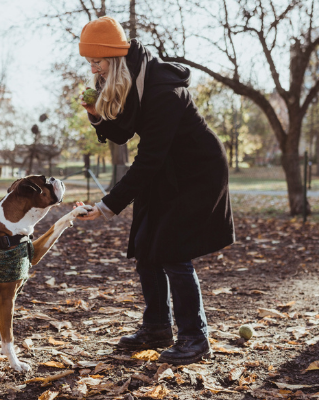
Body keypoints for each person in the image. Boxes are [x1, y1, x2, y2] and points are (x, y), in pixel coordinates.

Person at [75, 16, 235, 365]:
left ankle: (195, 337)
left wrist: (106, 206)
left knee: (172, 250)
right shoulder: (132, 75)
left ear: (113, 58)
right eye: (89, 62)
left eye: (97, 61)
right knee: (146, 244)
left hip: (196, 170)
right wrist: (96, 115)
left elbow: (147, 160)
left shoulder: (162, 88)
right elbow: (122, 134)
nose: (93, 69)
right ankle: (158, 327)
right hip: (166, 166)